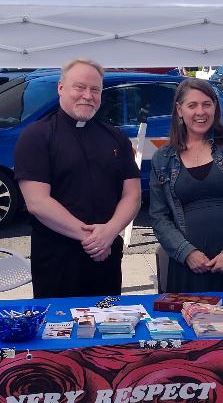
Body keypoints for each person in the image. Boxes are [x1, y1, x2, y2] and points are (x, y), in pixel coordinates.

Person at [14, 58, 142, 297]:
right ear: (61, 88)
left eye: (95, 90)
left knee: (109, 324)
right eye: (79, 87)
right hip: (57, 260)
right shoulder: (37, 136)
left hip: (107, 257)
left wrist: (111, 231)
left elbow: (132, 195)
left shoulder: (115, 138)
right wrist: (92, 239)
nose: (87, 95)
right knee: (58, 329)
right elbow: (38, 202)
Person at [150, 78, 223, 293]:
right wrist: (186, 253)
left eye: (207, 104)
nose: (200, 112)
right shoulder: (163, 158)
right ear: (179, 110)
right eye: (192, 105)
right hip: (189, 267)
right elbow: (158, 216)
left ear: (215, 107)